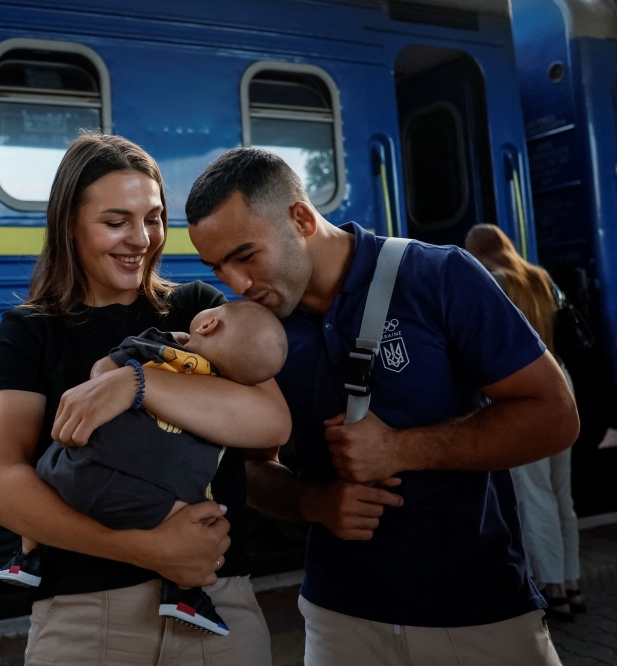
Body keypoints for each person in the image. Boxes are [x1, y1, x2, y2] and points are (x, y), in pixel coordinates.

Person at [184, 147, 580, 665]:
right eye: (218, 267)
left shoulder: (439, 275)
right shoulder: (258, 332)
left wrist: (402, 449)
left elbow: (555, 415)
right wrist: (314, 503)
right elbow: (250, 468)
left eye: (245, 256)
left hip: (480, 609)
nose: (234, 285)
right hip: (339, 618)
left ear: (301, 218)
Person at [0, 134, 289, 666]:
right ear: (69, 223)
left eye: (153, 217)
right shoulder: (32, 330)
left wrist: (137, 383)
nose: (142, 239)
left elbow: (271, 423)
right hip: (86, 618)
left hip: (218, 609)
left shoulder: (198, 311)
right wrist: (147, 550)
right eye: (116, 222)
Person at [0, 299, 289, 637]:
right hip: (149, 499)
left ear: (207, 325)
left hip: (82, 464)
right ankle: (185, 594)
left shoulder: (161, 343)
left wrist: (133, 379)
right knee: (201, 524)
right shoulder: (227, 389)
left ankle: (27, 557)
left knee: (44, 481)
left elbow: (101, 373)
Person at [465, 223, 585, 620]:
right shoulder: (539, 277)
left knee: (532, 496)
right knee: (560, 493)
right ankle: (572, 581)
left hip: (521, 387)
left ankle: (551, 589)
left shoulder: (494, 280)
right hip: (559, 379)